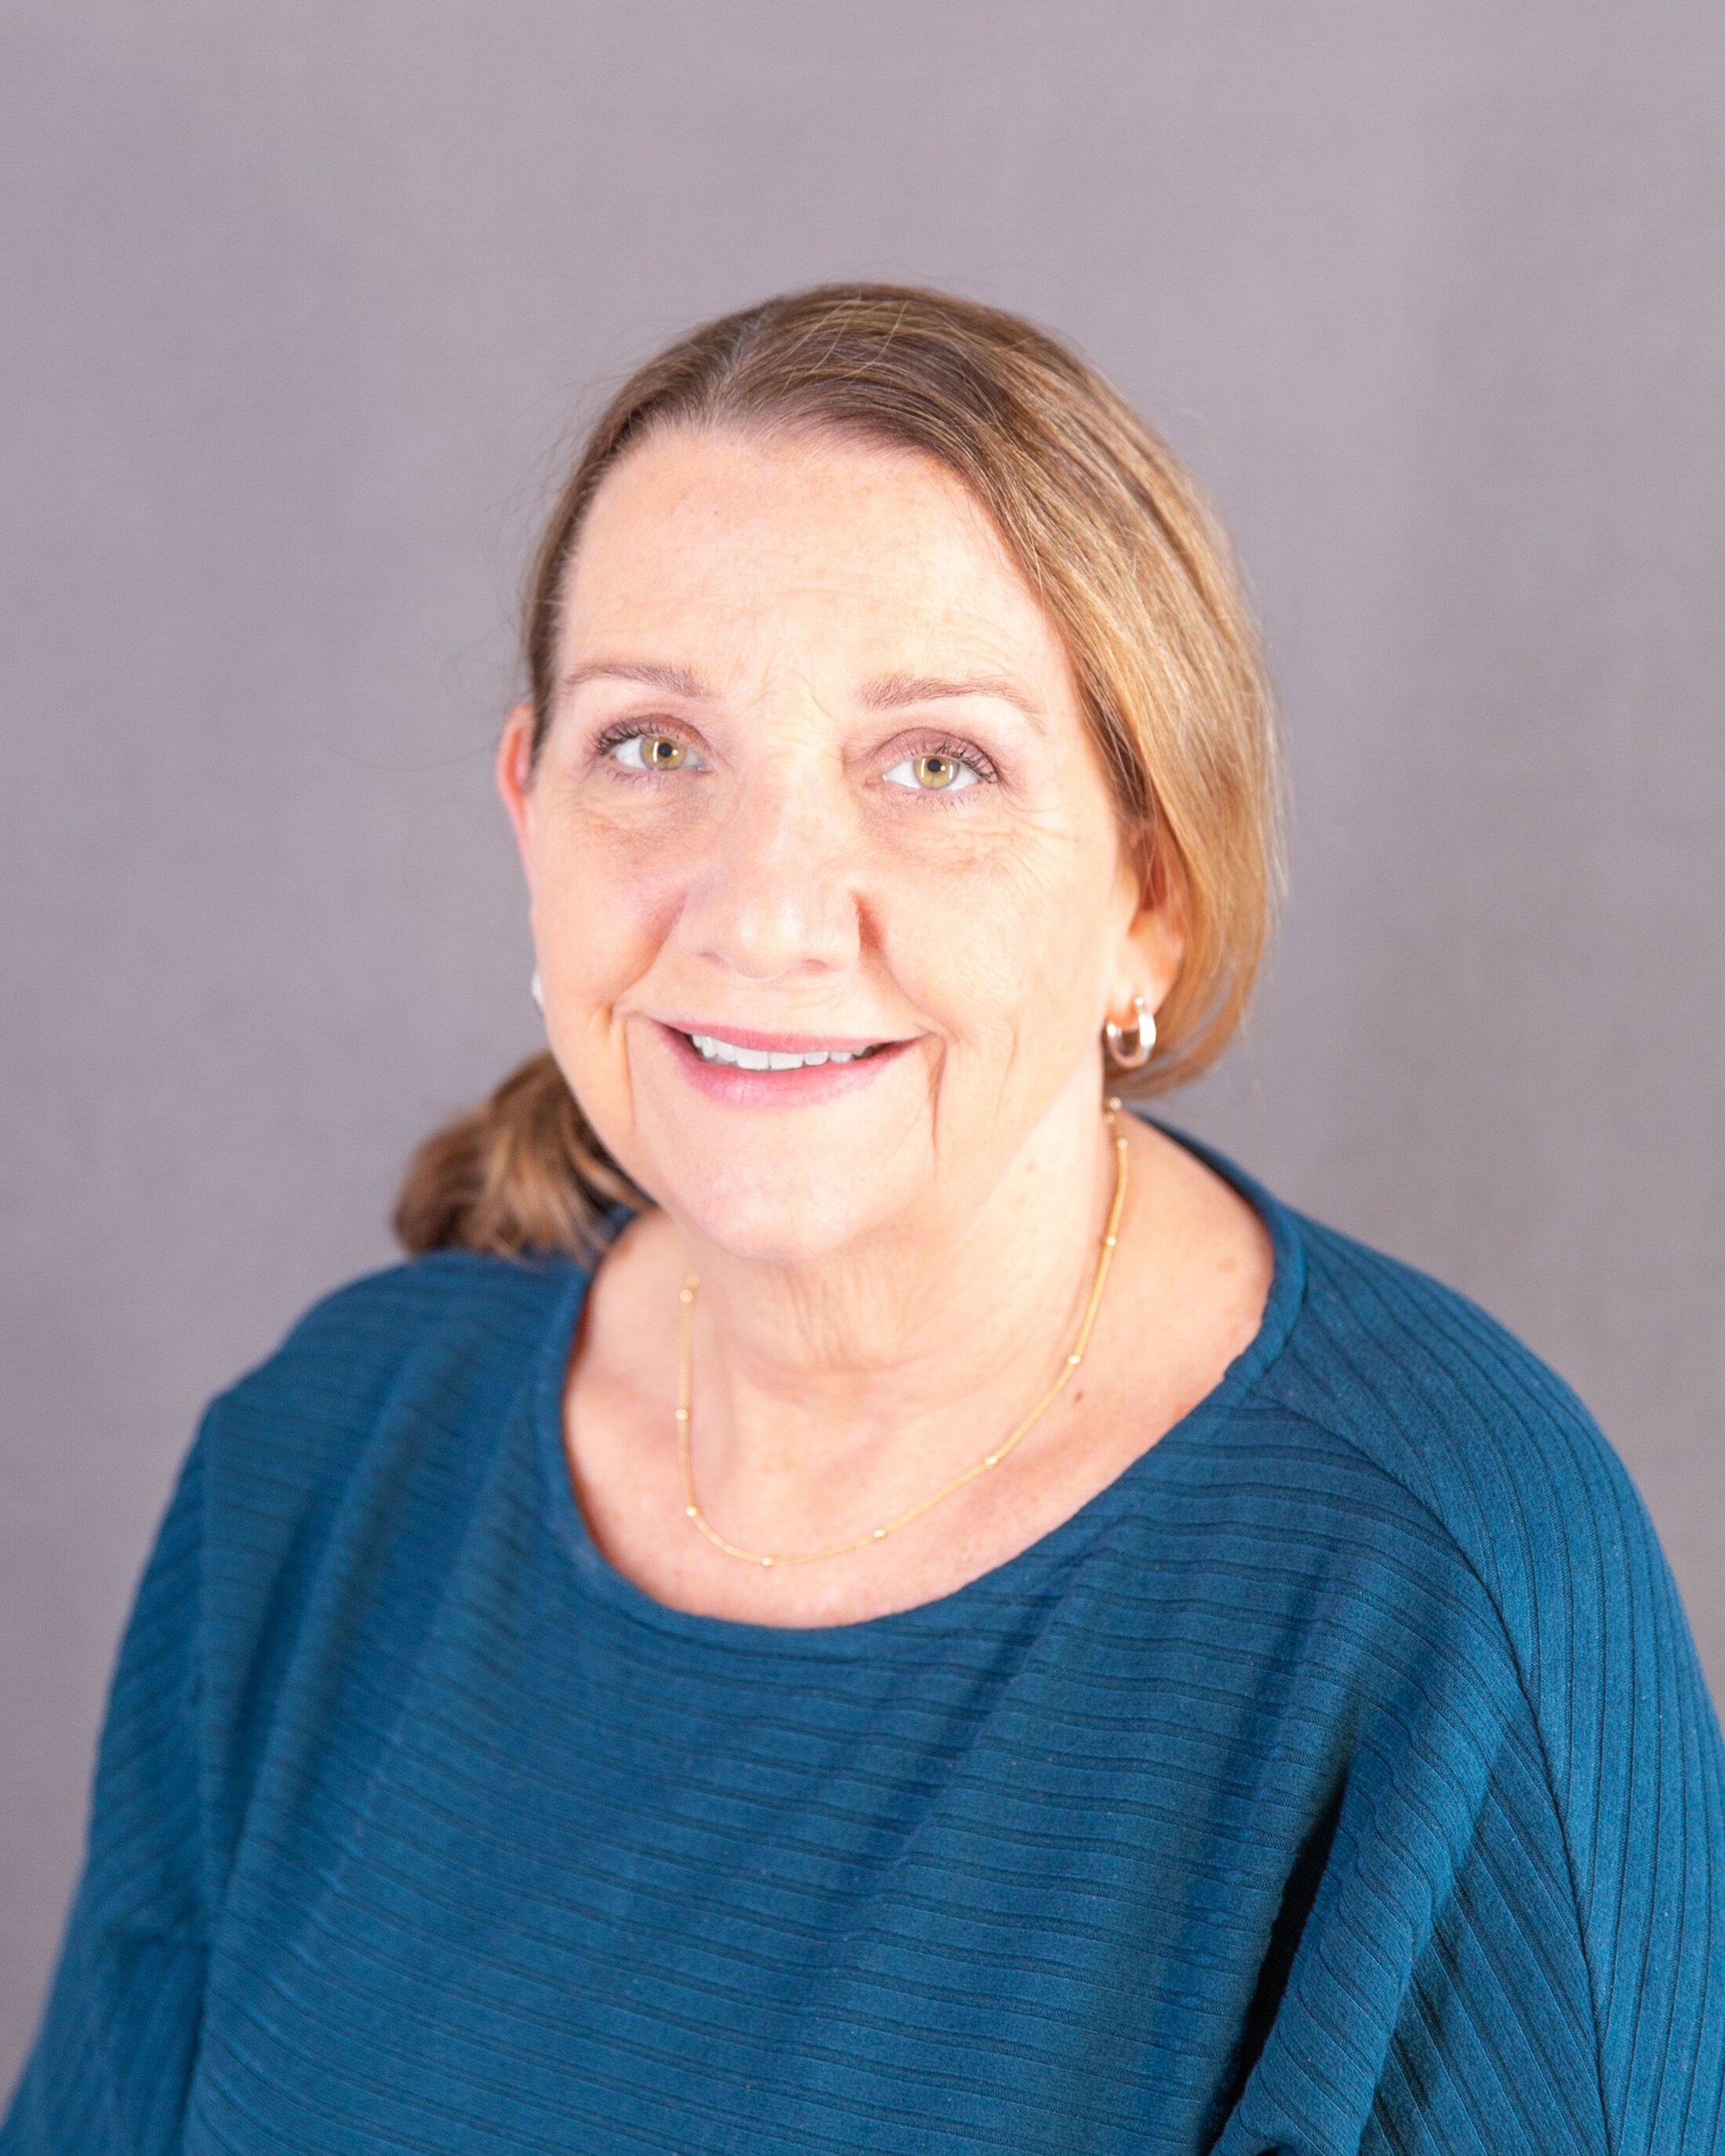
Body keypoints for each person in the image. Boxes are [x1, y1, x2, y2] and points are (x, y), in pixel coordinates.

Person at [5, 283, 1722, 2156]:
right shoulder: (317, 1475)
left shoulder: (1440, 1591)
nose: (762, 910)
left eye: (936, 766)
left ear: (1150, 893)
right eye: (653, 747)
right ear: (527, 808)